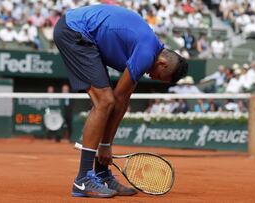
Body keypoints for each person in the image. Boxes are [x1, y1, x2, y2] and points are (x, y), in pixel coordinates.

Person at [53, 4, 188, 199]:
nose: (153, 77)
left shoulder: (147, 49)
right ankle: (83, 179)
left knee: (110, 102)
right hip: (73, 31)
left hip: (85, 34)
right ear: (163, 63)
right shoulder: (145, 53)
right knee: (105, 101)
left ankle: (101, 174)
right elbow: (115, 99)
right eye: (159, 76)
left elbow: (123, 101)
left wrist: (106, 145)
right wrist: (105, 145)